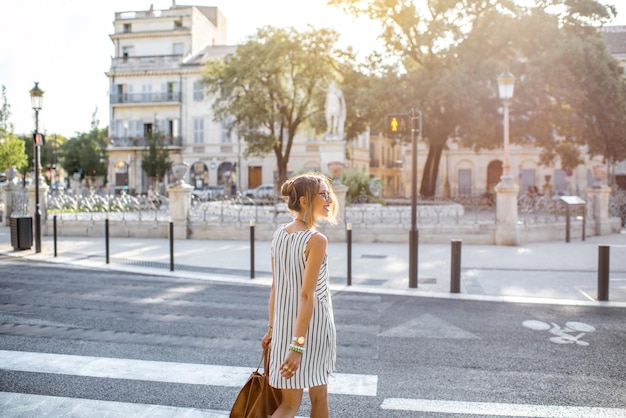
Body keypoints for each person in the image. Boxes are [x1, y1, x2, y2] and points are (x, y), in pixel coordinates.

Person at [261, 172, 339, 418]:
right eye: (322, 194)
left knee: (289, 404)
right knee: (316, 397)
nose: (329, 199)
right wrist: (298, 346)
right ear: (304, 201)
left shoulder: (279, 234)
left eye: (329, 193)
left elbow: (276, 287)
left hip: (285, 328)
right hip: (310, 330)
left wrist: (273, 330)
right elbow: (307, 296)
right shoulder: (316, 240)